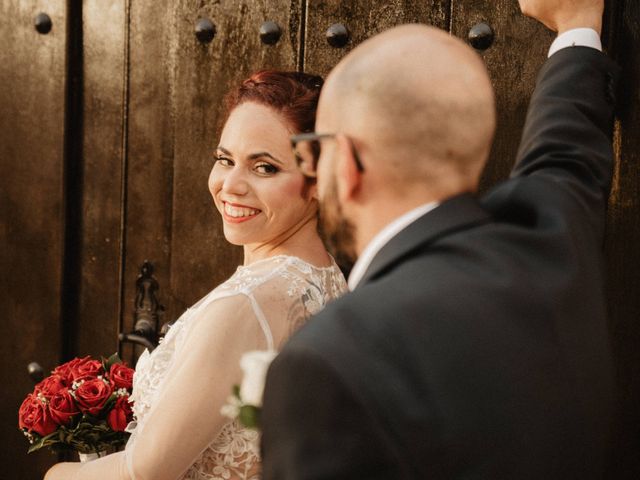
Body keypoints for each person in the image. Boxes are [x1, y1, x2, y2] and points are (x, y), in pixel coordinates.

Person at [261, 0, 618, 478]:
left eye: (315, 153)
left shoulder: (328, 361)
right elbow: (564, 157)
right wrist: (578, 25)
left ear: (346, 163)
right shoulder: (551, 237)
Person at [44, 71, 347, 480]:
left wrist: (55, 475)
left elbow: (142, 473)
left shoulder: (246, 303)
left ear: (318, 180)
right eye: (225, 160)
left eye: (265, 167)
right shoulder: (330, 278)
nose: (230, 186)